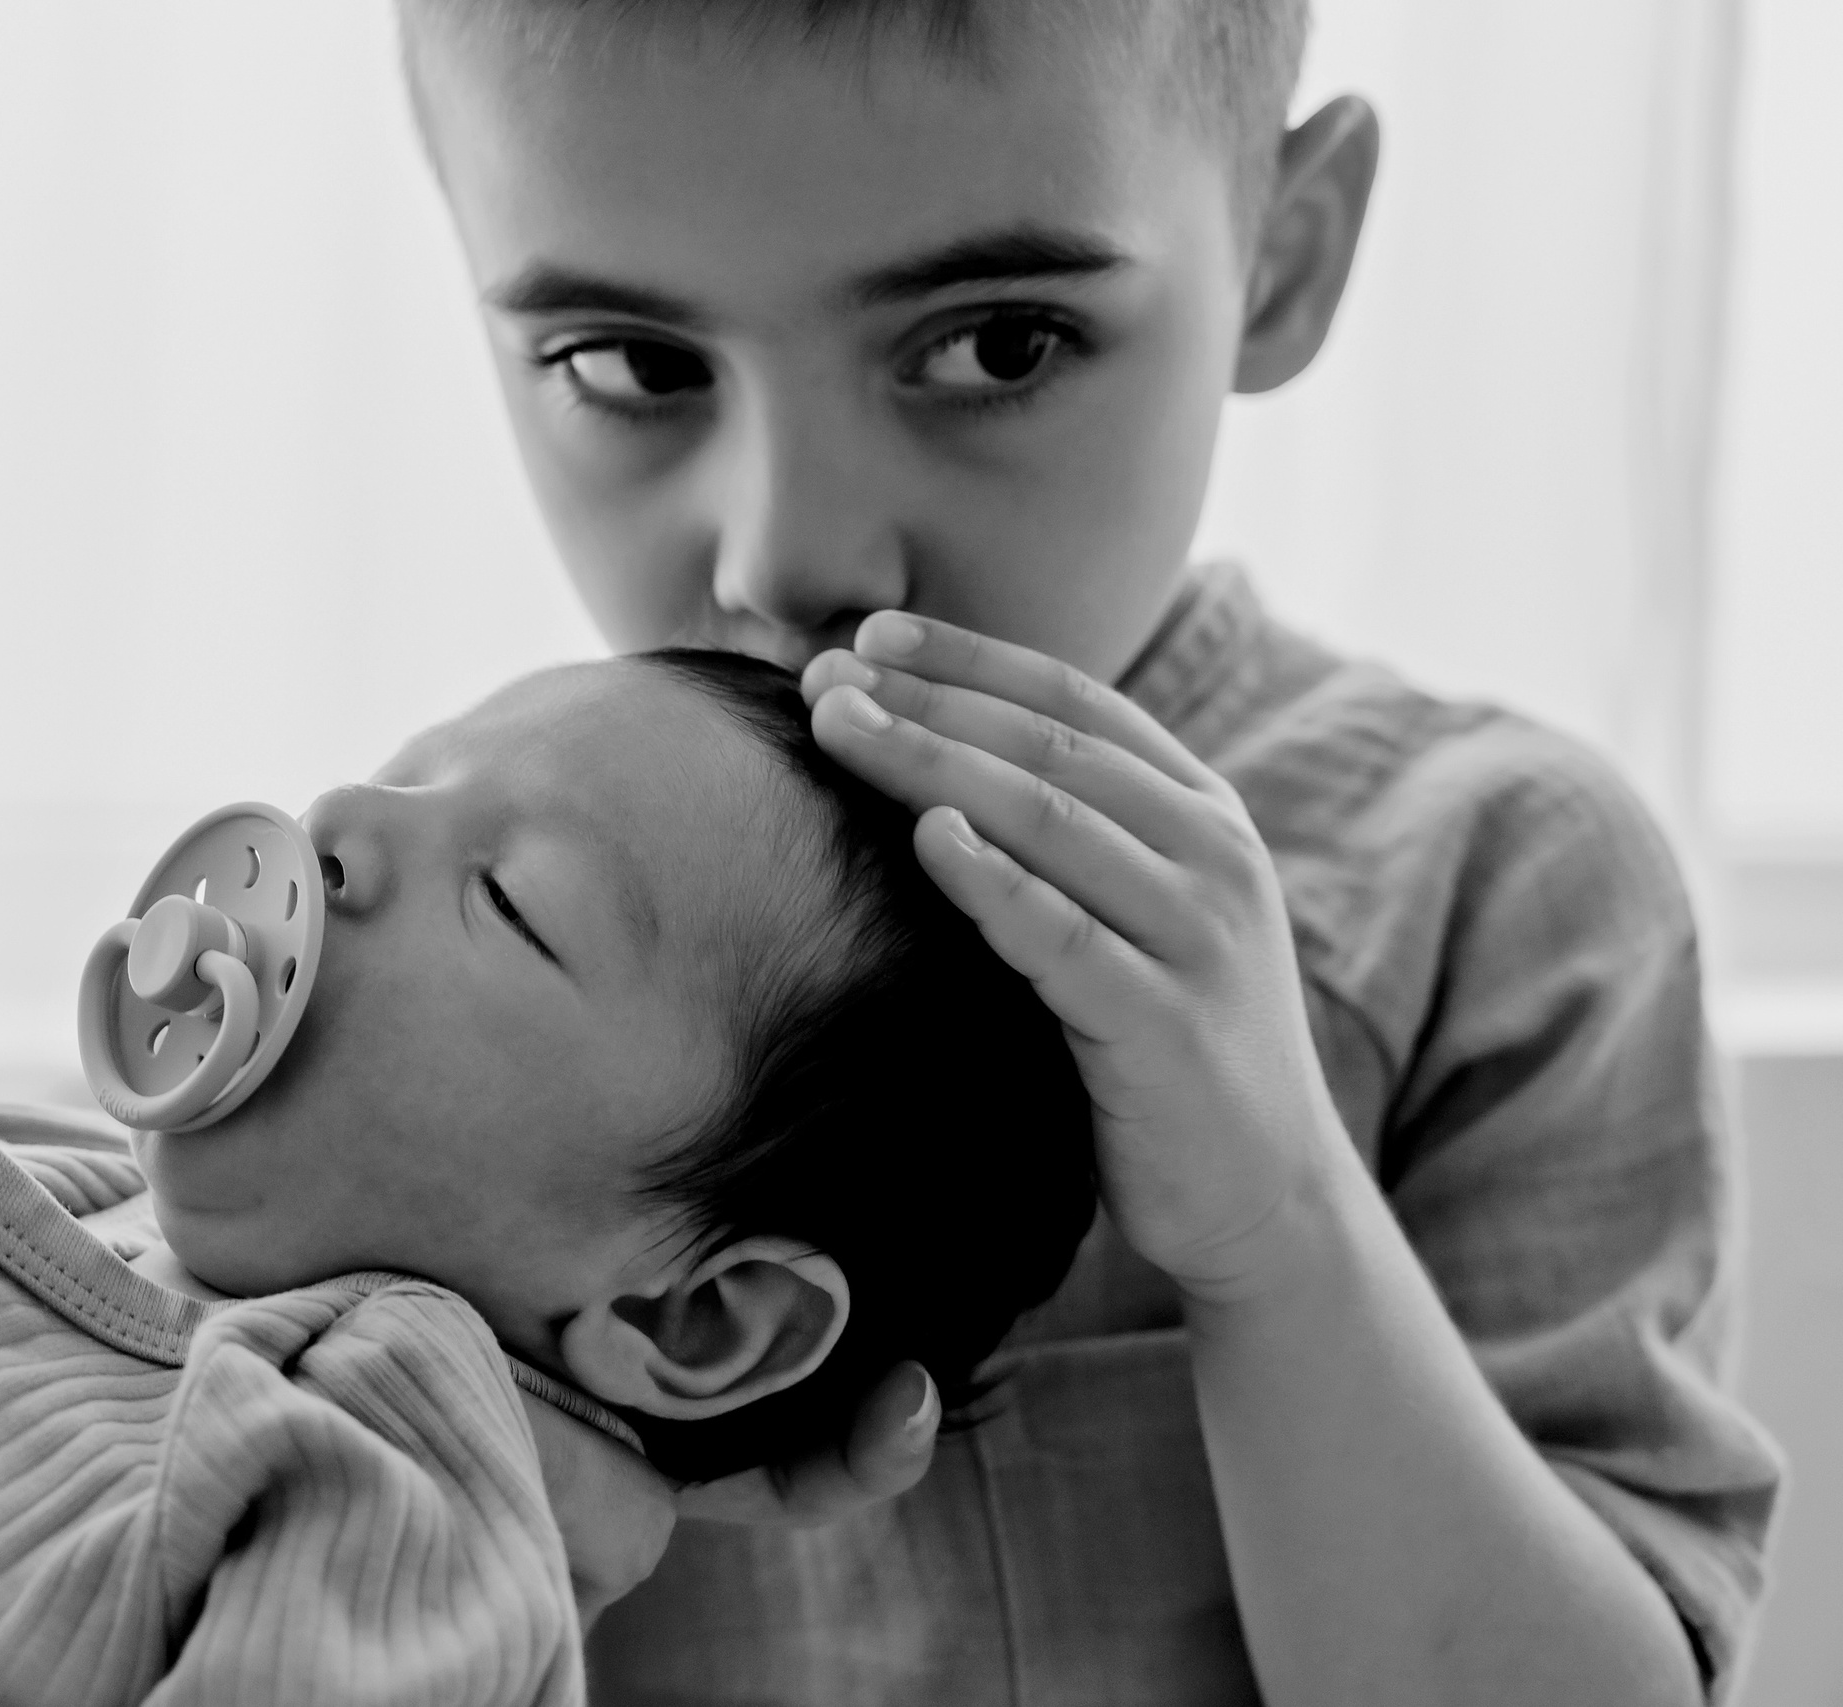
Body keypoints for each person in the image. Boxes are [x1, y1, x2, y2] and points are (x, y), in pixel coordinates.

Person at [391, 1, 1783, 1703]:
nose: (793, 555)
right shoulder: (425, 945)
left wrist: (1278, 1230)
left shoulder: (1500, 895)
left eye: (997, 345)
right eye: (633, 365)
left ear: (1281, 255)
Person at [0, 652, 1095, 1706]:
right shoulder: (43, 1198)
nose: (338, 832)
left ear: (695, 1317)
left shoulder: (390, 1484)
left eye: (510, 896)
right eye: (396, 781)